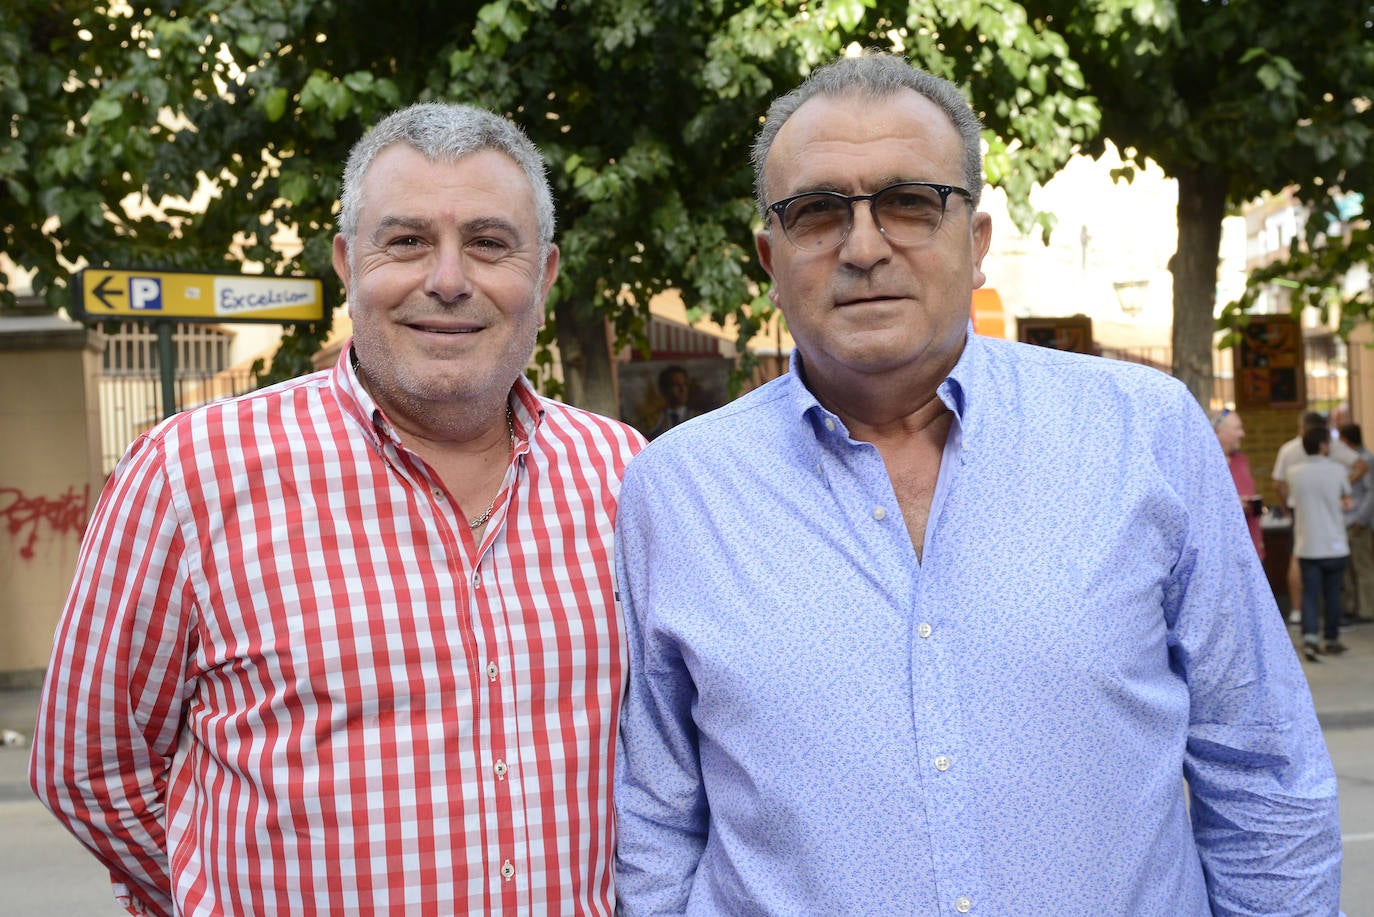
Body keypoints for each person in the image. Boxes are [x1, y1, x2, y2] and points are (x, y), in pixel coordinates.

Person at [612, 52, 1342, 915]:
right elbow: (658, 822)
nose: (865, 246)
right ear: (770, 256)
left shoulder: (1141, 433)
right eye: (817, 213)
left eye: (910, 203)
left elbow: (1261, 768)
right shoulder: (680, 489)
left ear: (979, 240)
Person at [30, 103, 644, 915]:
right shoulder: (190, 474)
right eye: (407, 241)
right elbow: (91, 765)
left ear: (547, 273)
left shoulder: (626, 474)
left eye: (491, 243)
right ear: (347, 263)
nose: (449, 278)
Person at [1274, 411, 1366, 620]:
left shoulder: (1289, 451)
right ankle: (1333, 617)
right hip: (1329, 513)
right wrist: (1340, 490)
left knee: (1298, 556)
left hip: (1301, 510)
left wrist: (1290, 503)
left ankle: (1299, 612)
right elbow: (1361, 466)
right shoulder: (1333, 455)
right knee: (1332, 563)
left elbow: (1278, 484)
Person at [1288, 426, 1353, 661]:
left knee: (1311, 594)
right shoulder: (1338, 471)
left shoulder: (1294, 473)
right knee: (1333, 593)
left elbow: (1292, 501)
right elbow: (1347, 501)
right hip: (1335, 542)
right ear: (1323, 446)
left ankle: (1311, 638)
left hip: (1308, 544)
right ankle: (1332, 639)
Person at [1212, 407, 1264, 559]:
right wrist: (1232, 505)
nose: (1242, 434)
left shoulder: (1241, 461)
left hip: (1252, 550)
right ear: (1217, 432)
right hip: (1226, 555)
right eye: (1237, 429)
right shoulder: (1206, 466)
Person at [1339, 422, 1374, 622]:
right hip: (1345, 519)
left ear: (1346, 440)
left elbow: (1371, 493)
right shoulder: (1347, 460)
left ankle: (1367, 609)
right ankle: (1351, 606)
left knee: (1363, 567)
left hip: (1359, 520)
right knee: (1348, 570)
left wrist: (1362, 518)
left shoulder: (1367, 459)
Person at [647, 364, 696, 439]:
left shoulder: (697, 417)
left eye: (685, 384)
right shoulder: (653, 420)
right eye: (676, 385)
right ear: (664, 390)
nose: (682, 390)